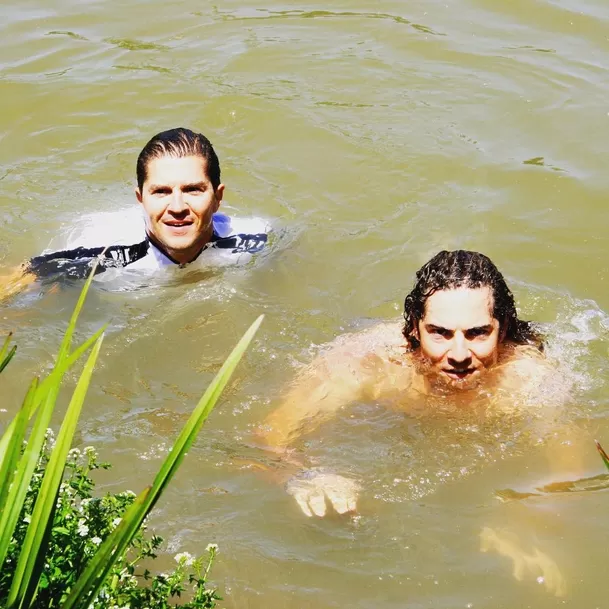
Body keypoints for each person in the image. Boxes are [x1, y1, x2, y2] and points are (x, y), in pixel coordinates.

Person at [257, 250, 577, 595]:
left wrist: (524, 523)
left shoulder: (527, 379)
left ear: (503, 332)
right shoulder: (368, 363)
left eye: (477, 333)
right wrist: (302, 475)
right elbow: (267, 438)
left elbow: (568, 461)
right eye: (439, 332)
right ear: (413, 328)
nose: (457, 354)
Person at [0, 128, 268, 299]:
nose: (177, 207)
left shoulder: (256, 240)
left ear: (218, 197)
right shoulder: (101, 250)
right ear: (140, 199)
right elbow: (22, 277)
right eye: (161, 191)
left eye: (193, 190)